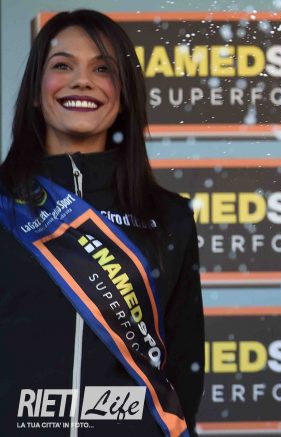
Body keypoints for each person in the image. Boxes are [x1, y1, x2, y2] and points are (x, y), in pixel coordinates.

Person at [0, 10, 203, 437]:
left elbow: (184, 366)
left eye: (102, 69)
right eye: (62, 66)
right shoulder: (3, 205)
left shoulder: (170, 217)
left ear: (124, 94)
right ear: (35, 91)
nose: (82, 81)